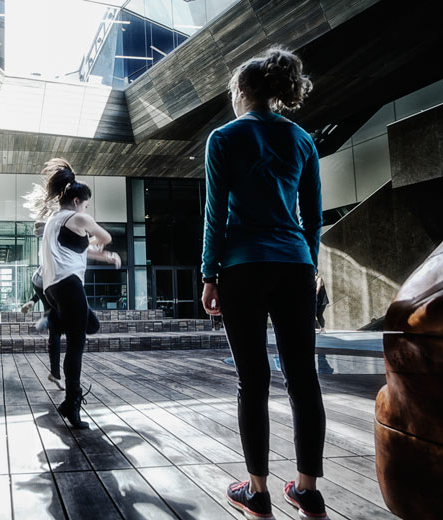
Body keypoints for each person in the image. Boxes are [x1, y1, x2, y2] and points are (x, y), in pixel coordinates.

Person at [199, 48, 329, 519]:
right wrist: (309, 266)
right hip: (295, 266)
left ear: (240, 92)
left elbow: (215, 214)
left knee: (252, 381)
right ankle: (308, 491)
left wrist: (208, 274)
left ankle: (257, 491)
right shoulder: (301, 139)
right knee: (303, 379)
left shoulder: (223, 138)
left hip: (242, 268)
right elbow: (312, 216)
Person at [32, 158, 121, 429]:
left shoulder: (54, 222)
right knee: (77, 344)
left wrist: (104, 258)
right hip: (69, 284)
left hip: (53, 288)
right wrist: (98, 241)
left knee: (90, 325)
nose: (86, 209)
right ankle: (71, 402)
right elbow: (104, 237)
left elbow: (82, 248)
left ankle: (54, 319)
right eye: (86, 203)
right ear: (76, 202)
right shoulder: (78, 218)